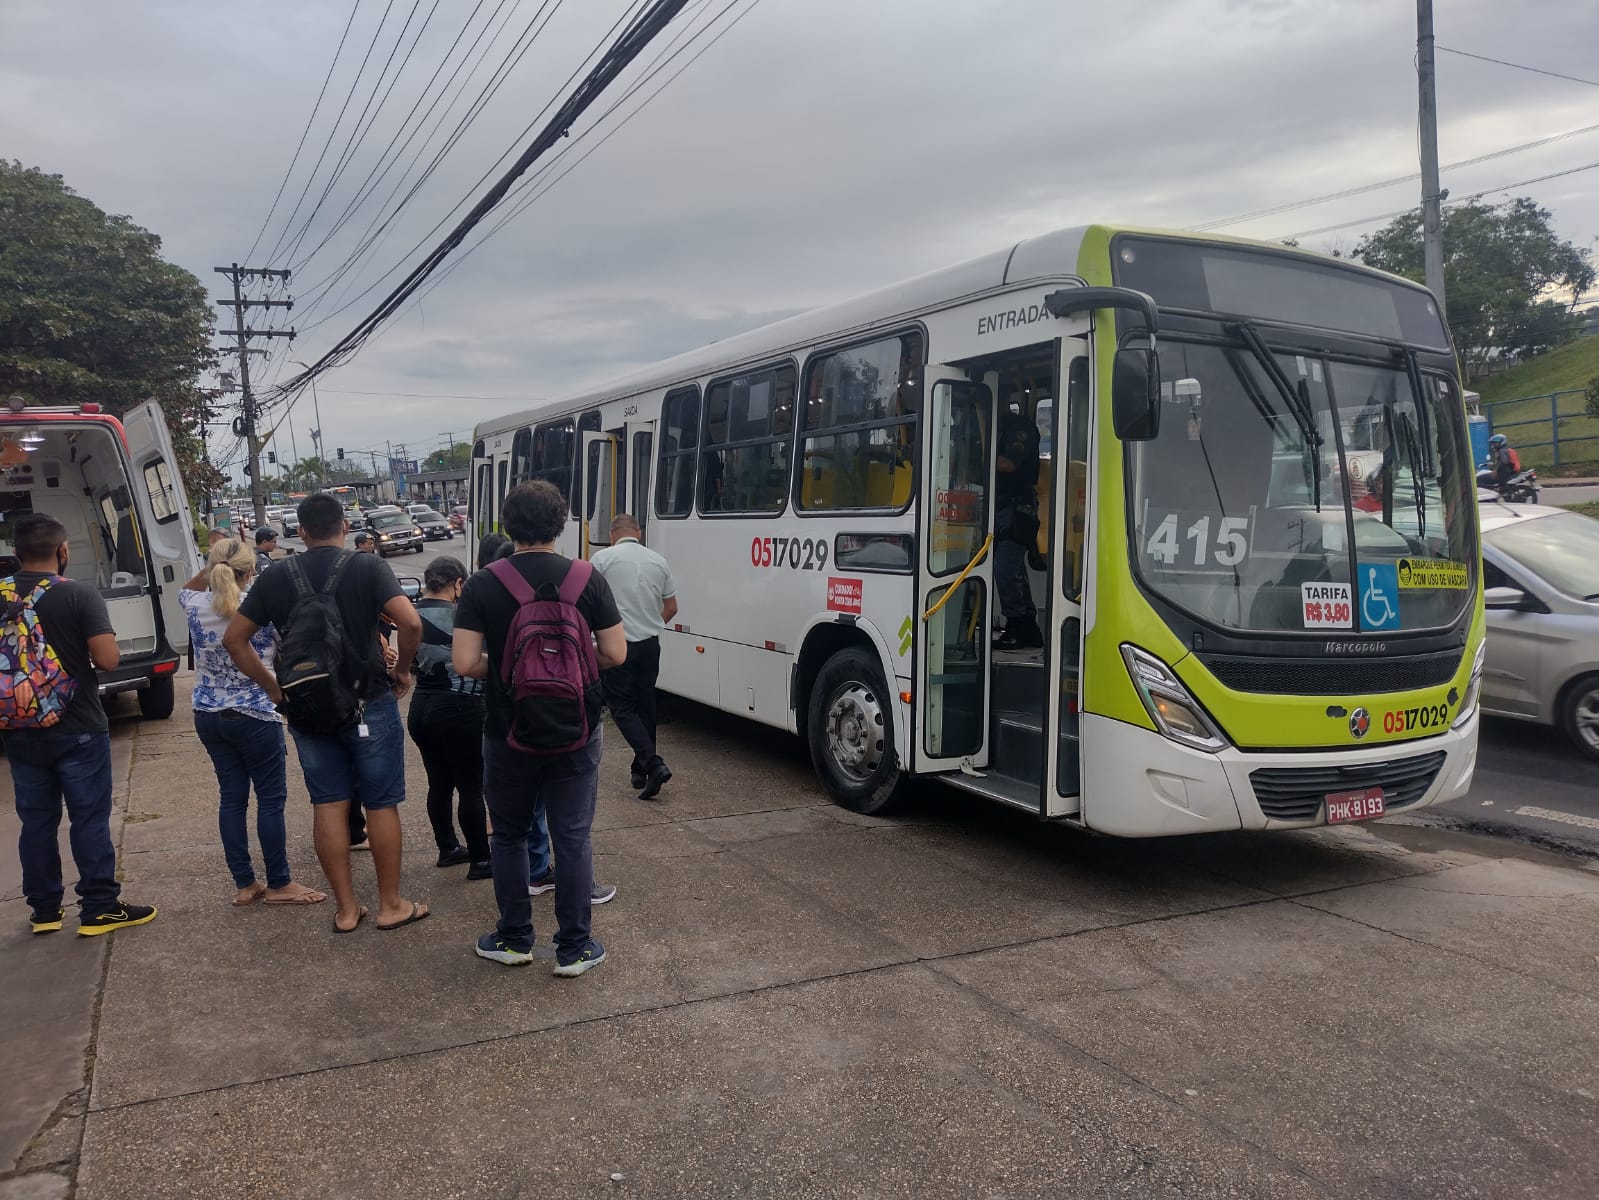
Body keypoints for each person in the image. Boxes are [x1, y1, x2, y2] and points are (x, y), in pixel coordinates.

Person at [224, 492, 427, 934]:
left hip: (307, 707)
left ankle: (347, 910)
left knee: (328, 803)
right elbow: (410, 623)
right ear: (344, 527)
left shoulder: (274, 577)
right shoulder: (367, 566)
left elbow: (235, 640)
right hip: (368, 700)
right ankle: (391, 904)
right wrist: (404, 671)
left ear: (300, 531)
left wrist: (276, 693)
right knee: (381, 803)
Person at [454, 480, 625, 974]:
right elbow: (615, 652)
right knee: (572, 837)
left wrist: (514, 671)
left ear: (507, 525)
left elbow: (465, 662)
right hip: (577, 727)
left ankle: (513, 940)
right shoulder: (586, 577)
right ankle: (574, 948)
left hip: (507, 730)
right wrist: (567, 670)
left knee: (508, 834)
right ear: (561, 523)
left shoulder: (484, 582)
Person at [3, 514, 157, 935]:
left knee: (35, 820)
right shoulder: (78, 595)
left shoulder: (1, 595)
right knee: (88, 817)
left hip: (18, 726)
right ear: (62, 550)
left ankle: (45, 911)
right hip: (78, 725)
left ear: (15, 554)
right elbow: (107, 659)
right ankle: (99, 908)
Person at [181, 538, 324, 908]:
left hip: (208, 713)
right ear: (251, 572)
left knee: (232, 799)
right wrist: (277, 691)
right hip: (255, 712)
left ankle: (245, 884)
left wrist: (216, 562)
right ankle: (279, 883)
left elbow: (187, 587)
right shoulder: (258, 607)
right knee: (271, 800)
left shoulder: (194, 603)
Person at [407, 556, 492, 879]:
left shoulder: (410, 614)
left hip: (421, 707)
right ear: (458, 584)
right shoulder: (463, 615)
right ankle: (482, 860)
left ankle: (448, 848)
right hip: (461, 706)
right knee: (471, 786)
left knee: (439, 783)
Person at [590, 514, 677, 799]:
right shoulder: (658, 560)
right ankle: (641, 770)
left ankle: (653, 764)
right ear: (637, 532)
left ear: (613, 534)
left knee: (622, 707)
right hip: (650, 644)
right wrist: (653, 623)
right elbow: (672, 606)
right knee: (645, 705)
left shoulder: (602, 560)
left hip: (619, 645)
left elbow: (589, 603)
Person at [993, 399, 1042, 651]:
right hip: (1002, 508)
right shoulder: (998, 428)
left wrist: (977, 454)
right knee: (1014, 570)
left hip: (1018, 509)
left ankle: (1017, 625)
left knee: (1004, 569)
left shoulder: (1020, 430)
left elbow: (1008, 464)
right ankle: (1027, 626)